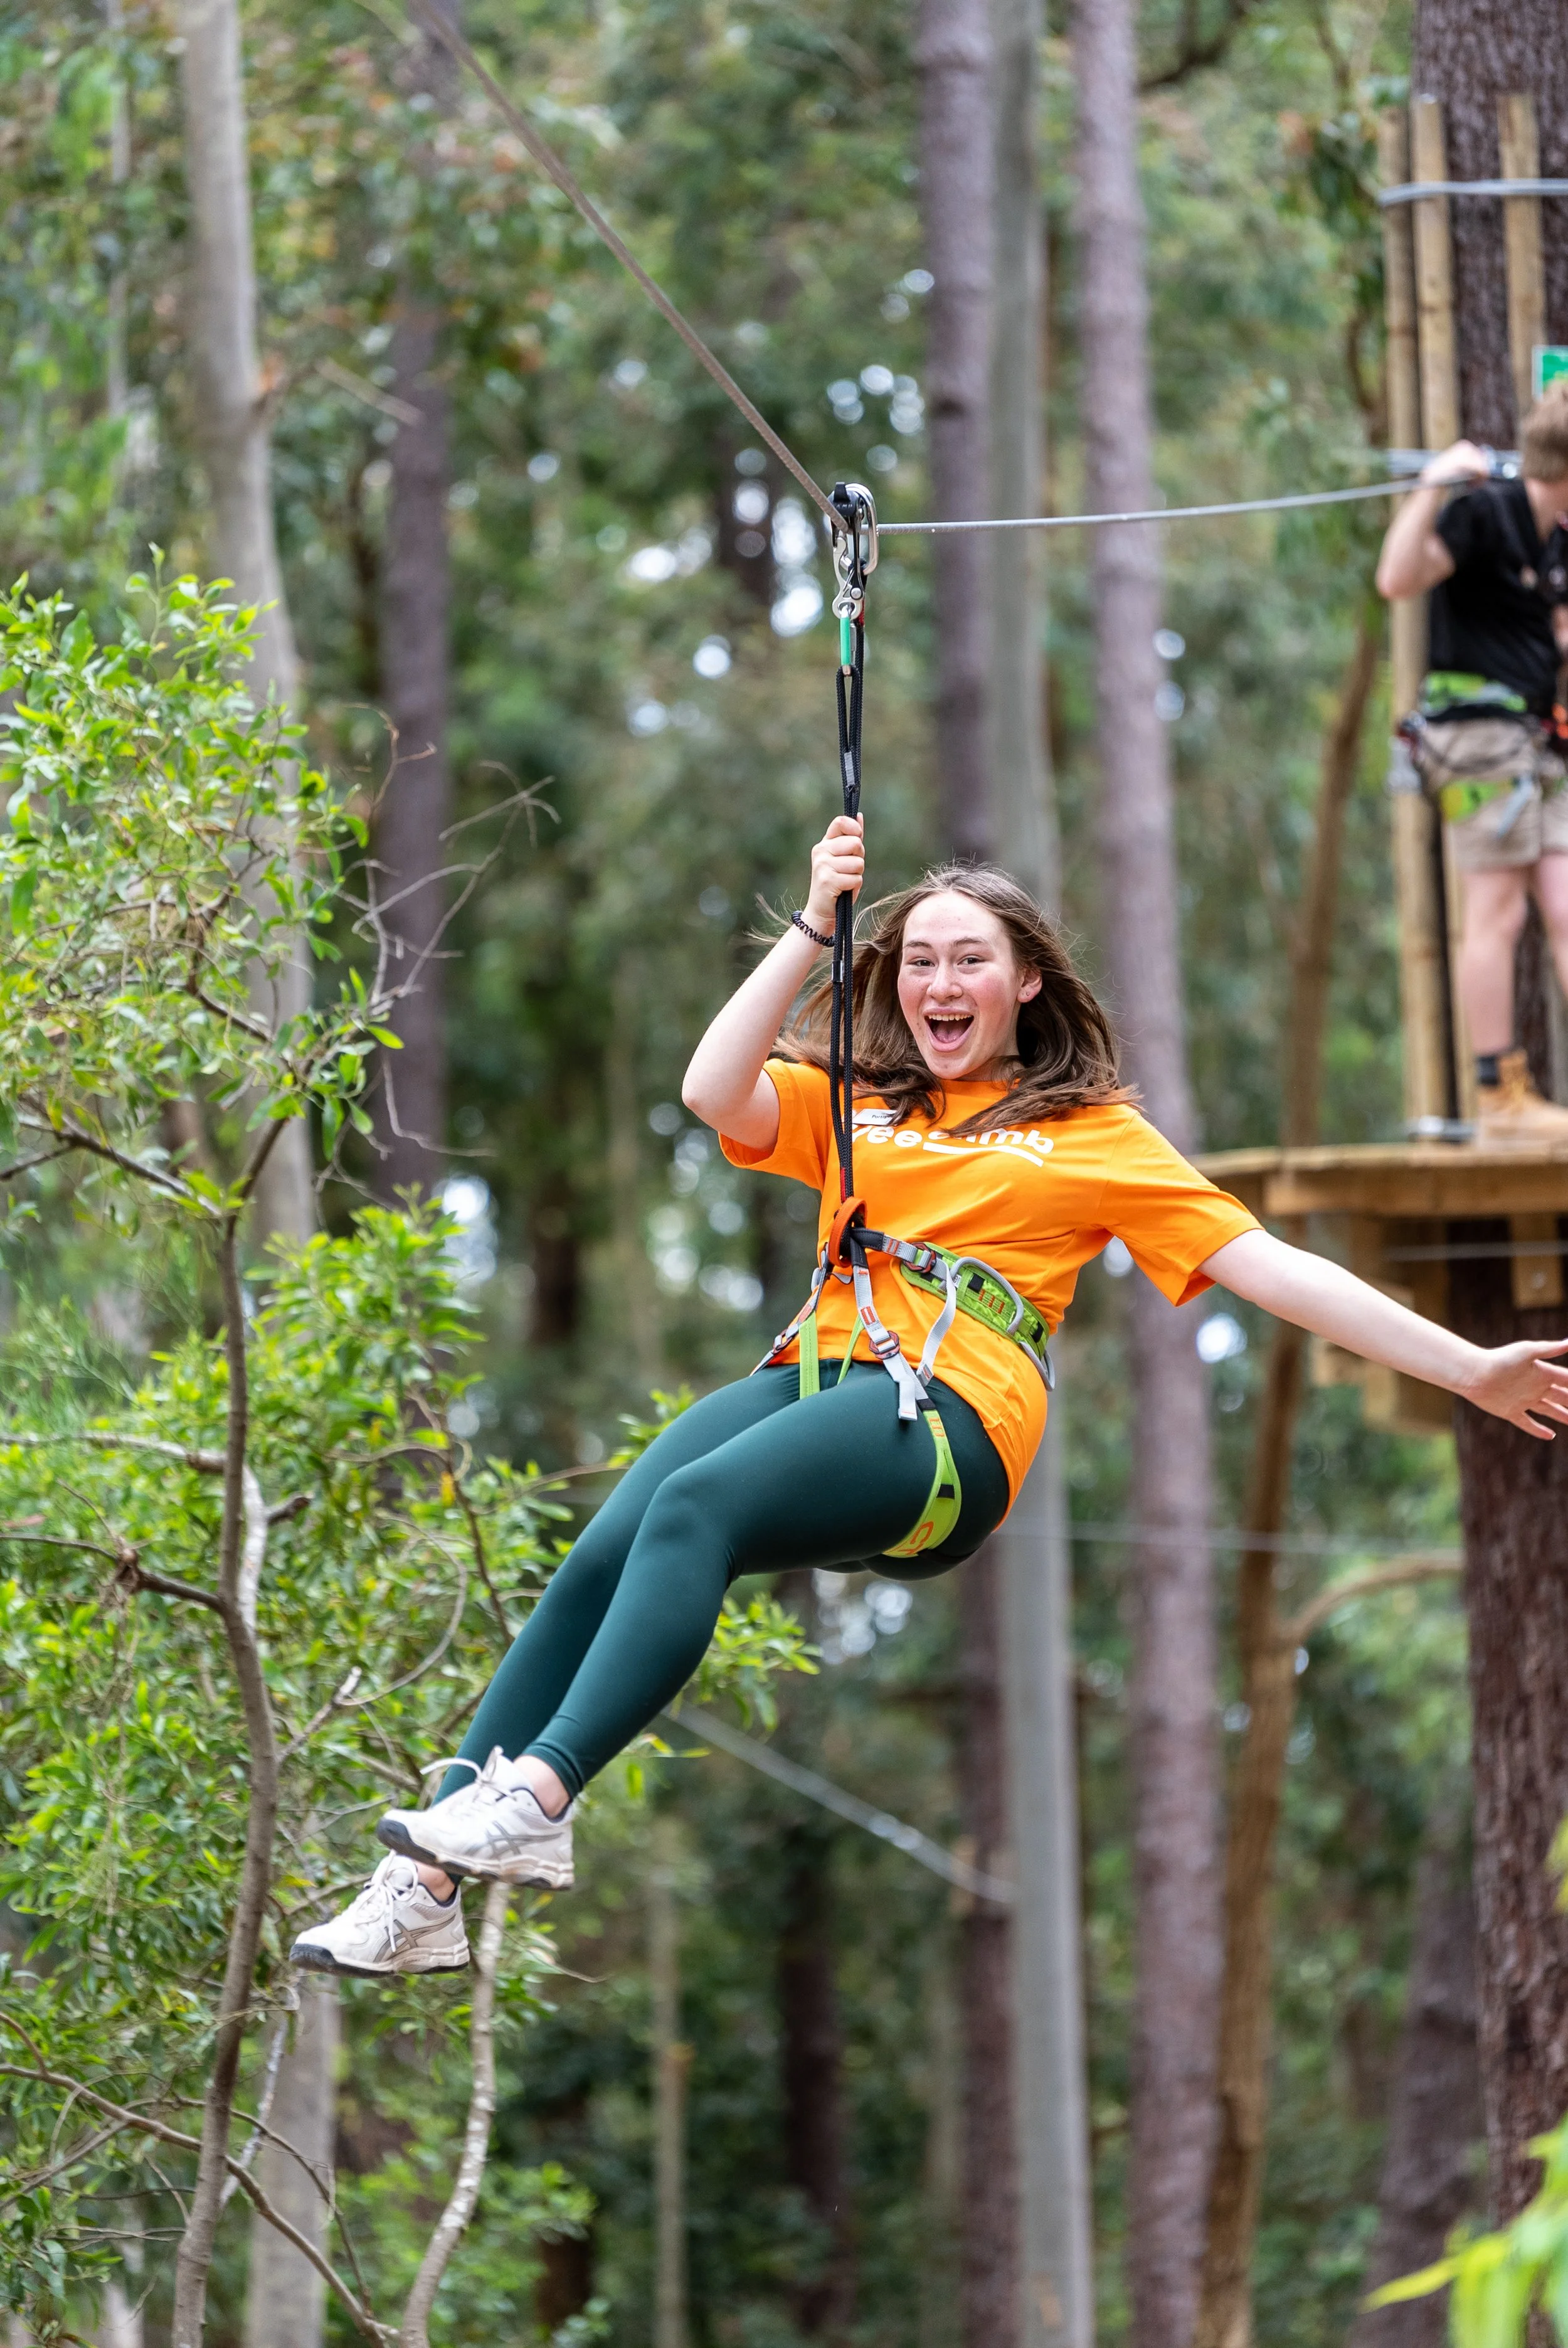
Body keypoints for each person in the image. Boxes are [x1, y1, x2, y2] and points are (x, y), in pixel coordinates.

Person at [293, 817, 1568, 1977]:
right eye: (914, 962)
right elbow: (709, 1089)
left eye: (966, 962)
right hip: (815, 1374)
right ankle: (421, 1884)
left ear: (1024, 982)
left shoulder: (1093, 1134)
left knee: (695, 1505)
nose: (937, 985)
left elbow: (1271, 1268)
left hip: (947, 1420)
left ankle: (541, 1796)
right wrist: (811, 918)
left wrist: (1468, 1367)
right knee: (604, 1547)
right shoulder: (865, 1108)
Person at [1376, 385, 1568, 1143]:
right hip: (1476, 743)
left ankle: (1513, 1098)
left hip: (1536, 742)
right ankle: (1500, 1100)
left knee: (1562, 905)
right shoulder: (1483, 511)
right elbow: (1397, 578)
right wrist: (1432, 486)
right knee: (1497, 910)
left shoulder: (1556, 540)